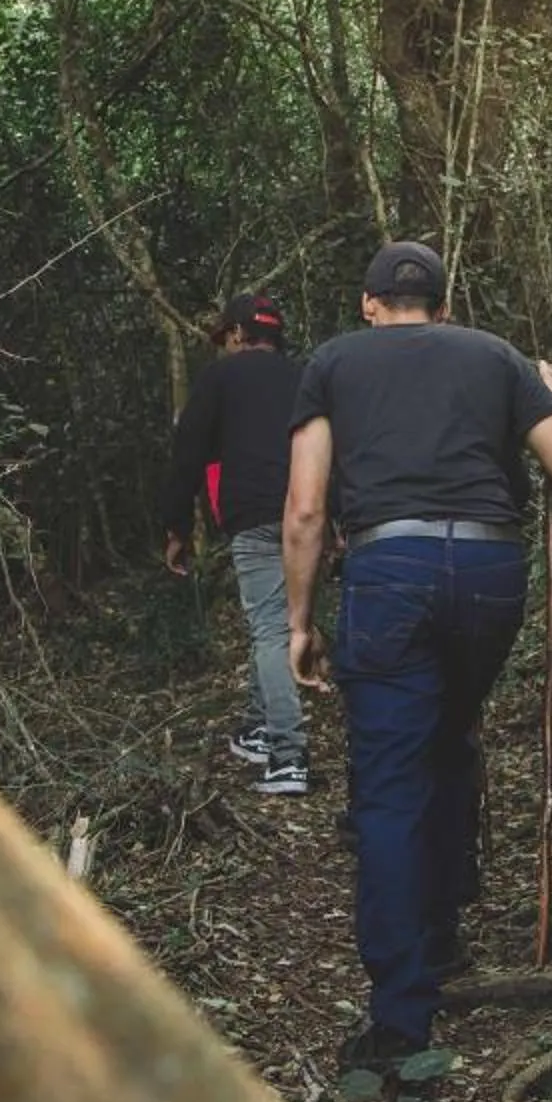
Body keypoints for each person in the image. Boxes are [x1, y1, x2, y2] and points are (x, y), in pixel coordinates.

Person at [283, 242, 552, 1074]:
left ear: (368, 304)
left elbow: (307, 509)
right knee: (450, 733)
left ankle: (401, 1019)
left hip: (389, 572)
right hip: (490, 576)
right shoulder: (494, 355)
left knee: (390, 784)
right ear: (445, 305)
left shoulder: (333, 364)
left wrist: (300, 621)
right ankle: (446, 925)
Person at [161, 292, 312, 796]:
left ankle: (288, 755)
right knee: (282, 619)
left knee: (269, 629)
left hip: (253, 514)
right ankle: (256, 724)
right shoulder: (304, 377)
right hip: (307, 514)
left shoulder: (219, 379)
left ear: (237, 334)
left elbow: (188, 454)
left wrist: (177, 528)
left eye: (225, 336)